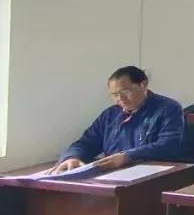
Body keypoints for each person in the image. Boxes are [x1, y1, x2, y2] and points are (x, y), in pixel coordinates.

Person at [50, 66, 186, 174]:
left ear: (143, 84)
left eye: (125, 91)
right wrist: (73, 157)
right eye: (114, 94)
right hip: (115, 176)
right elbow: (86, 142)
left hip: (155, 176)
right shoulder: (110, 115)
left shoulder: (168, 108)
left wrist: (127, 156)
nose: (120, 99)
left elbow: (168, 146)